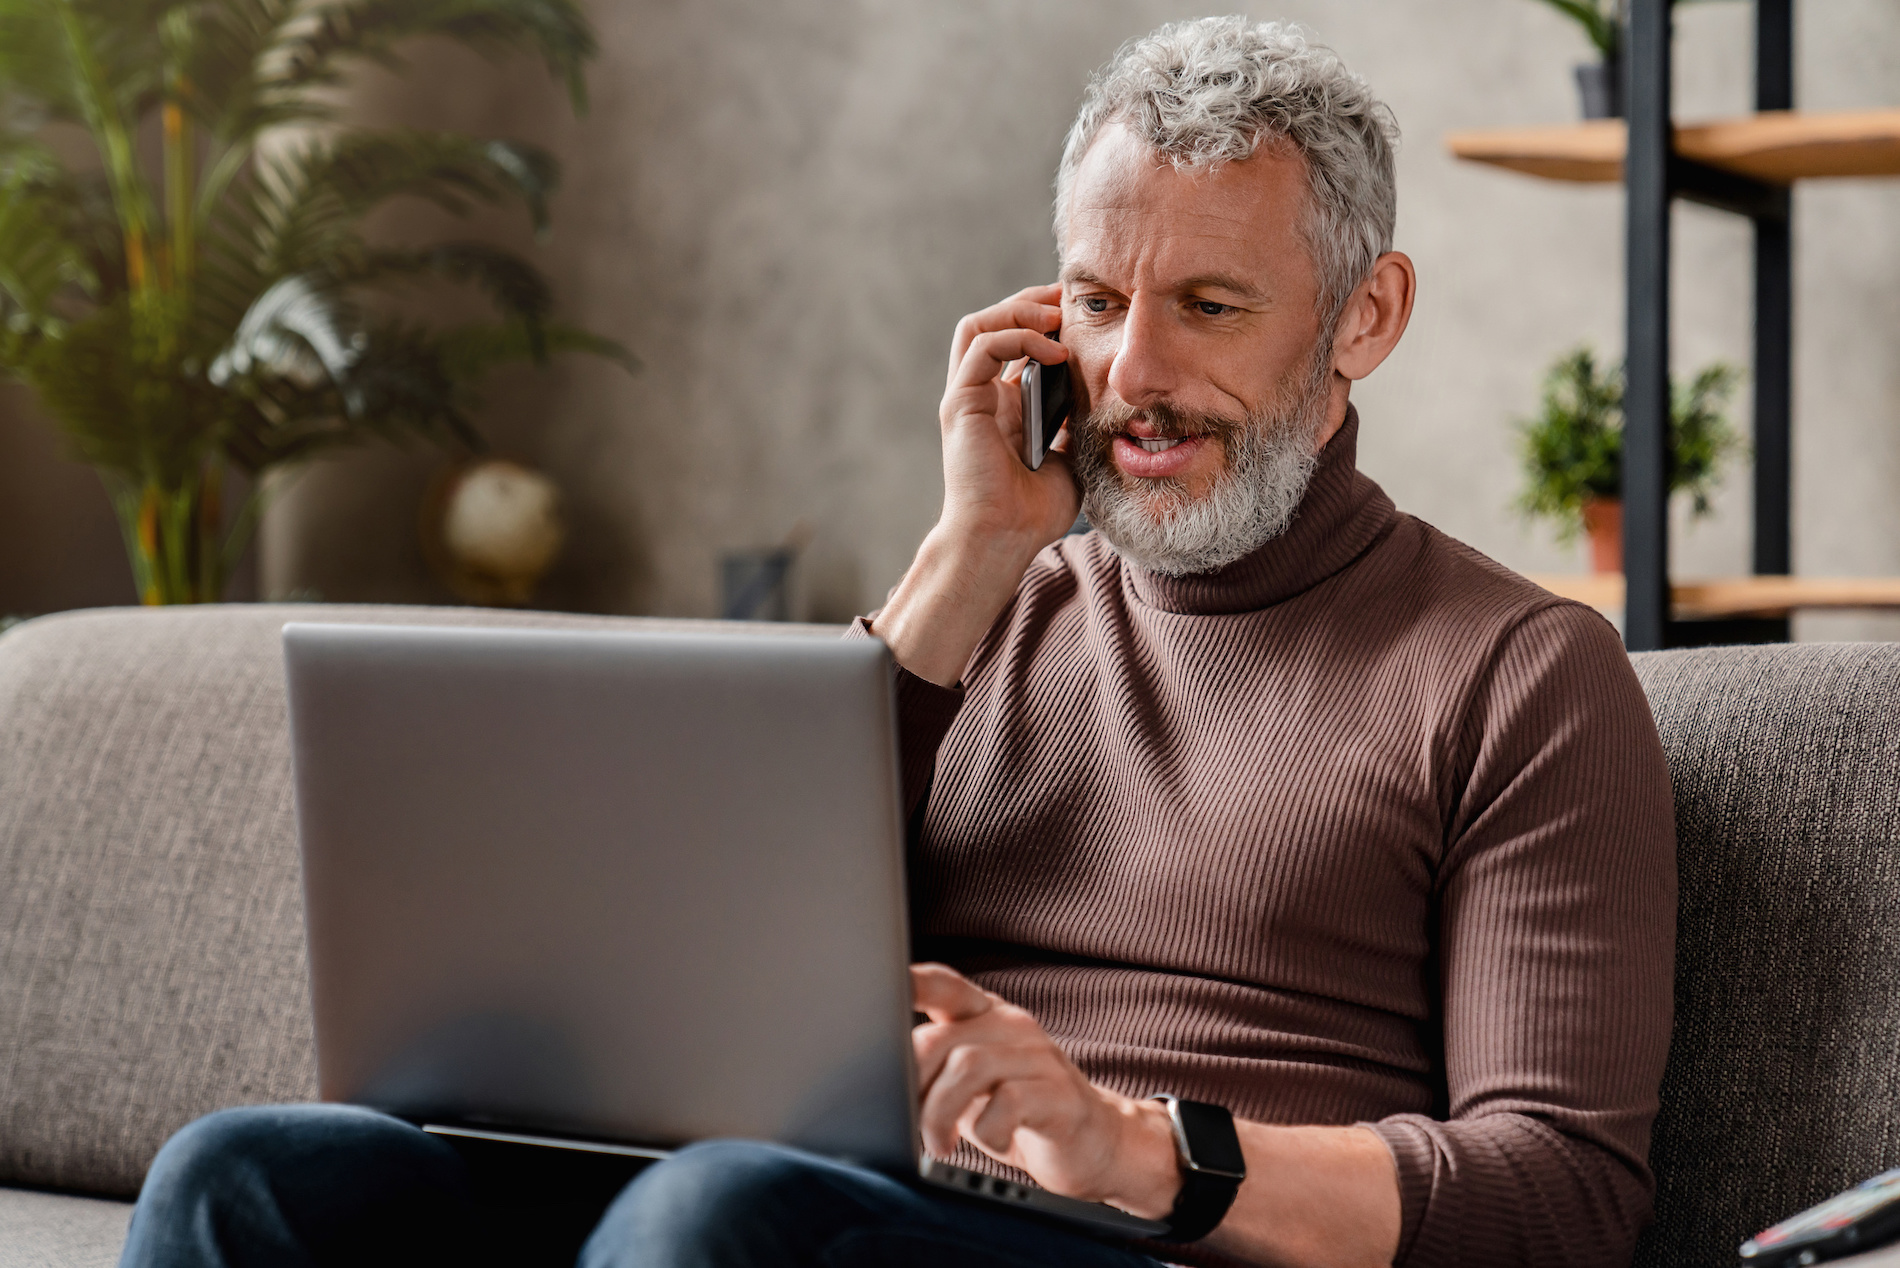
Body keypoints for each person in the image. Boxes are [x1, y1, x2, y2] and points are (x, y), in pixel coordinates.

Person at [118, 17, 1675, 1268]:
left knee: (722, 1216)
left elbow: (1562, 1195)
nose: (1132, 370)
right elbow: (695, 940)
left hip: (1159, 1238)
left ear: (1365, 316)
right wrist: (973, 550)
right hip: (846, 1189)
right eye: (1093, 297)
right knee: (245, 1178)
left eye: (1208, 305)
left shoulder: (1519, 670)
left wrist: (1134, 1144)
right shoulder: (990, 608)